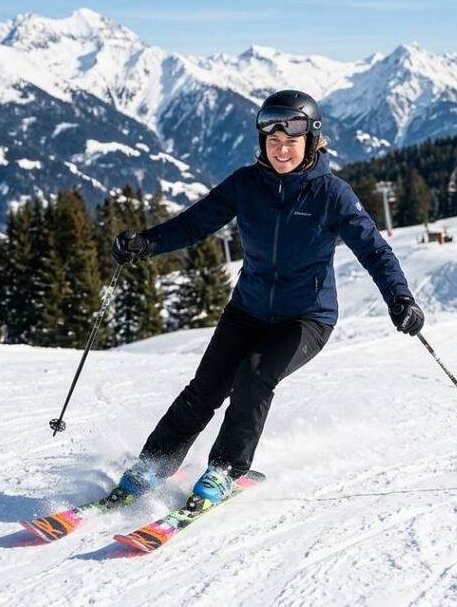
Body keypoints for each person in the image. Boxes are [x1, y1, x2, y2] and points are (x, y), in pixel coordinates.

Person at [104, 89, 425, 511]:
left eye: (290, 141)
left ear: (311, 141)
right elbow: (194, 223)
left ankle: (225, 470)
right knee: (205, 388)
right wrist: (146, 243)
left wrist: (399, 297)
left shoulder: (332, 194)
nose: (280, 149)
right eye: (272, 141)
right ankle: (152, 464)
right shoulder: (246, 184)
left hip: (306, 318)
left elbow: (374, 249)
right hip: (248, 309)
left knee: (254, 377)